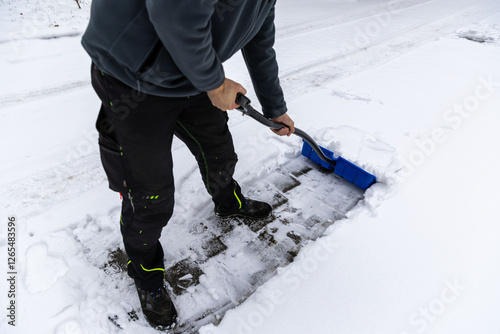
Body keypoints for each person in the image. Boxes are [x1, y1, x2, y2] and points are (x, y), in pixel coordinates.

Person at [81, 0, 294, 329]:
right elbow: (172, 12)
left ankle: (228, 202)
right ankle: (146, 273)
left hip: (193, 74)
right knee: (151, 195)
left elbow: (259, 38)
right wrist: (216, 84)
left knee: (219, 152)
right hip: (132, 79)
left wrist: (274, 106)